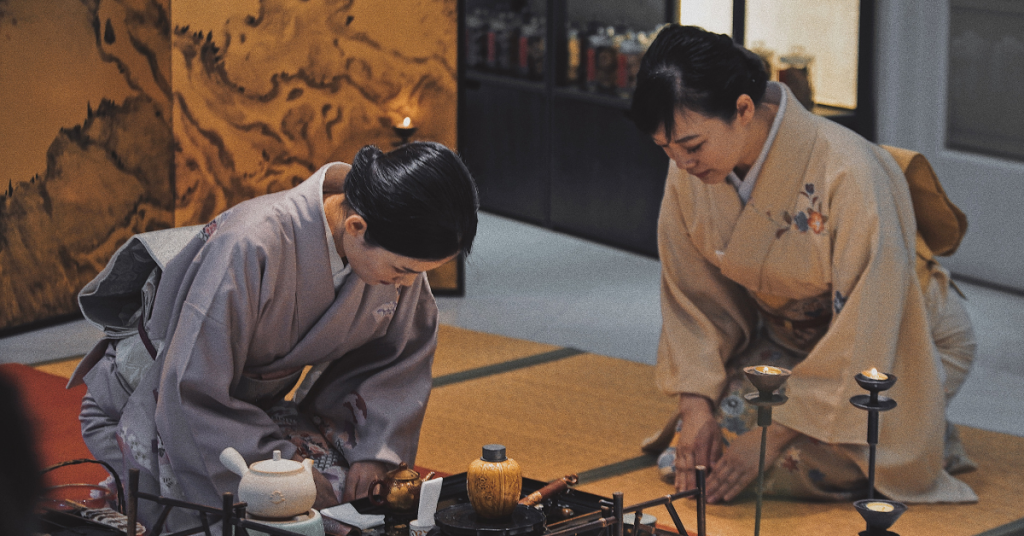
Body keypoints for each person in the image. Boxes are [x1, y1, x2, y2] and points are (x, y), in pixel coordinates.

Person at [630, 25, 977, 505]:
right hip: (792, 342)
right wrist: (695, 408)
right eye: (666, 150)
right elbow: (693, 295)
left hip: (901, 340)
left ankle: (923, 425)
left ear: (744, 110)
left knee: (804, 464)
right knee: (700, 450)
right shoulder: (689, 165)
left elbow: (870, 326)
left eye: (691, 146)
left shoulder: (849, 171)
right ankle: (906, 426)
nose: (682, 164)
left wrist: (771, 441)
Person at [69, 141, 479, 528]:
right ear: (356, 226)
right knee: (274, 508)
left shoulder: (391, 248)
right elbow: (189, 386)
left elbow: (397, 360)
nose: (406, 286)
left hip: (248, 408)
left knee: (348, 497)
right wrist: (282, 467)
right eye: (405, 272)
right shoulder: (251, 244)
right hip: (158, 402)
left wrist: (375, 453)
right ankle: (121, 492)